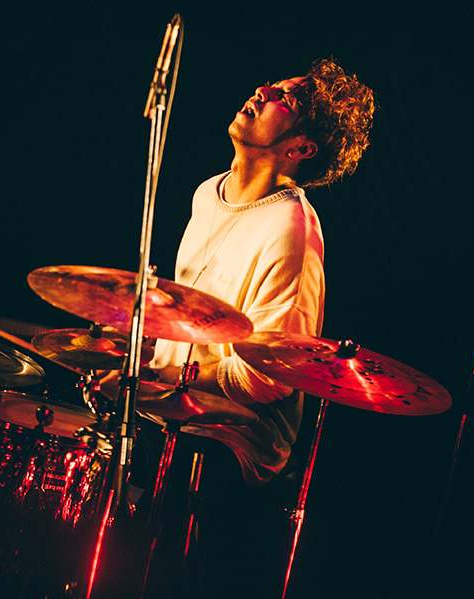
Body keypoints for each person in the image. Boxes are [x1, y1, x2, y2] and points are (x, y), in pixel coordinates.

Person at [130, 57, 376, 598]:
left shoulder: (291, 228)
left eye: (286, 99)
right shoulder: (208, 193)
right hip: (173, 411)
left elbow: (271, 377)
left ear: (301, 148)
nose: (263, 90)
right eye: (273, 85)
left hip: (234, 445)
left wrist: (166, 383)